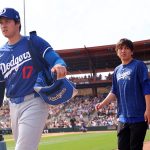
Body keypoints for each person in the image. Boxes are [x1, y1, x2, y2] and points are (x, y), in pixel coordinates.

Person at [0, 8, 67, 150]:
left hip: (34, 101)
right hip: (13, 106)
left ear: (17, 23)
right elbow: (1, 85)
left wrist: (59, 65)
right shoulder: (1, 54)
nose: (3, 25)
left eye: (7, 21)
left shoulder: (32, 41)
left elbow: (55, 58)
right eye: (1, 22)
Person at [95, 38, 150, 150]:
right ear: (117, 52)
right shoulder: (117, 70)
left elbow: (146, 87)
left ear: (131, 51)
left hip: (138, 116)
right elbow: (114, 91)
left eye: (126, 48)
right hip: (123, 118)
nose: (123, 51)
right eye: (120, 48)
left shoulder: (139, 65)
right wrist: (102, 103)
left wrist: (148, 109)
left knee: (135, 148)